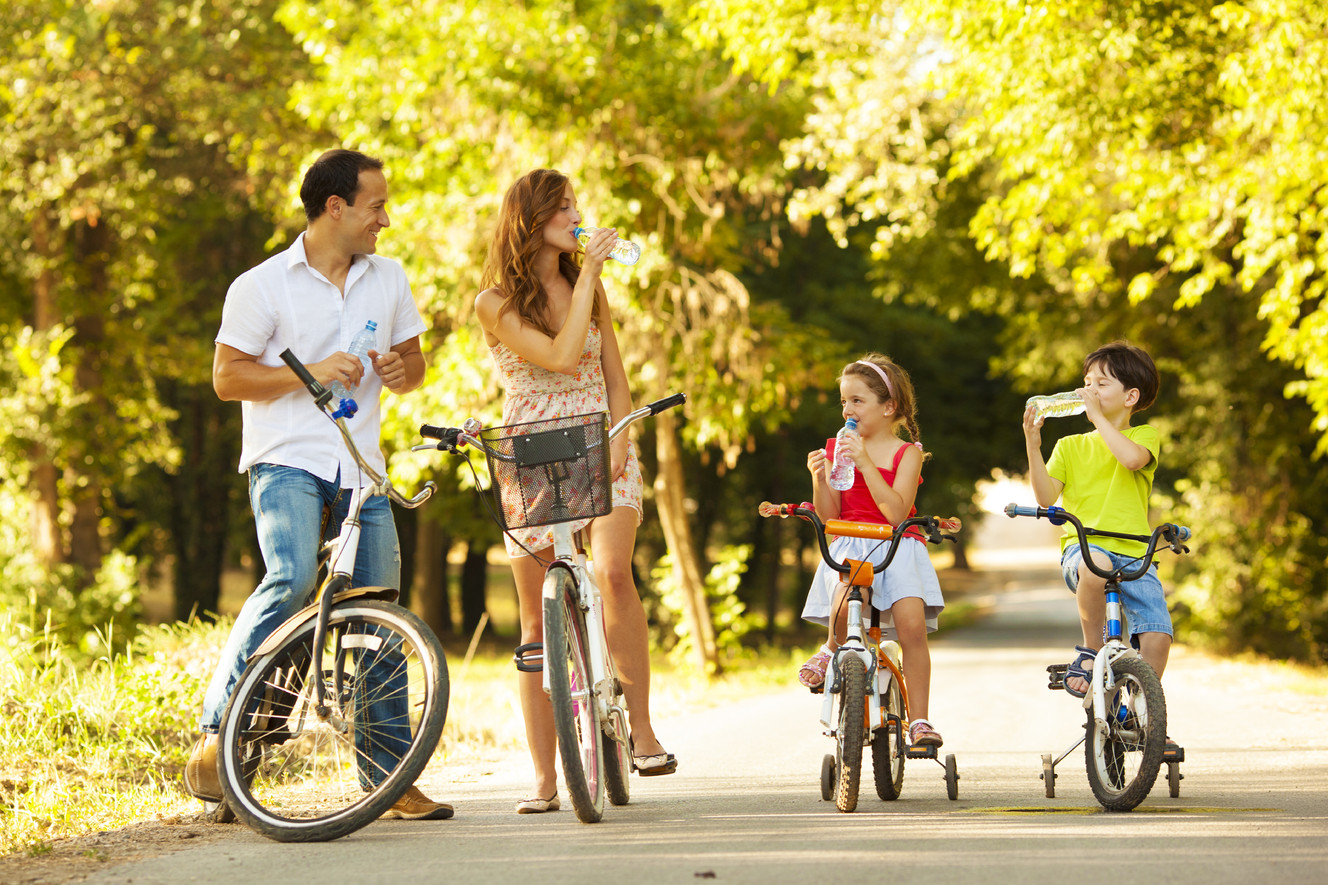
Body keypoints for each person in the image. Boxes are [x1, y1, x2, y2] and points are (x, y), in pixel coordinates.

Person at [183, 148, 452, 821]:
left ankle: (390, 778)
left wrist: (403, 371)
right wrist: (309, 374)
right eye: (376, 206)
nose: (385, 219)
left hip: (362, 469)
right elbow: (227, 378)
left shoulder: (389, 277)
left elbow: (414, 361)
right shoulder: (261, 285)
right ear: (336, 207)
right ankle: (218, 732)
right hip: (287, 460)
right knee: (293, 577)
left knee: (379, 610)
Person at [475, 168, 676, 815]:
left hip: (601, 439)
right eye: (563, 207)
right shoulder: (493, 301)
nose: (577, 216)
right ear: (532, 219)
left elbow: (613, 372)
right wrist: (588, 272)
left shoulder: (592, 285)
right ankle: (544, 776)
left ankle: (642, 730)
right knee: (536, 621)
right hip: (531, 454)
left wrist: (620, 437)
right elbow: (560, 357)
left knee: (613, 571)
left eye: (575, 205)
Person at [798, 353, 947, 748]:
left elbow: (896, 512)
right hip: (852, 541)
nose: (847, 410)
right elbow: (830, 516)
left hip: (897, 546)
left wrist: (865, 464)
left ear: (888, 406)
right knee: (845, 599)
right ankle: (831, 649)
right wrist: (819, 480)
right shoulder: (838, 448)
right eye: (843, 401)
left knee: (912, 627)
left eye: (857, 401)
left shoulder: (907, 453)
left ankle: (920, 720)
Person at [1022, 341, 1173, 729]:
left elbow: (1131, 460)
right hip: (1085, 549)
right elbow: (1045, 496)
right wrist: (1033, 446)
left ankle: (1140, 713)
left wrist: (1097, 419)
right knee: (1097, 564)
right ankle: (1091, 649)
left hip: (1136, 554)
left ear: (1130, 397)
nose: (1089, 391)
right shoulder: (1069, 446)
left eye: (1101, 384)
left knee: (1158, 634)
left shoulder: (1144, 436)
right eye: (1086, 383)